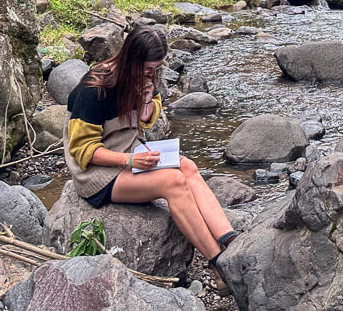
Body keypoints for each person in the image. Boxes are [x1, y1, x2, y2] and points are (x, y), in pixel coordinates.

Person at [63, 26, 237, 290]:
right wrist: (130, 162)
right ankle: (218, 263)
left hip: (130, 152)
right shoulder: (94, 89)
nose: (151, 74)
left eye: (156, 68)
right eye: (147, 68)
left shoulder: (147, 76)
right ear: (131, 59)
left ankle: (231, 242)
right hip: (96, 173)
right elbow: (83, 151)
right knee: (173, 182)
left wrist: (145, 99)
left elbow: (146, 119)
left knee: (187, 167)